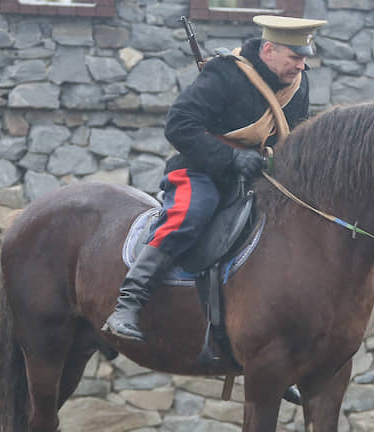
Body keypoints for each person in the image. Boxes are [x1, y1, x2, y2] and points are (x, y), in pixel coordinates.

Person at [102, 14, 327, 342]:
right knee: (191, 215)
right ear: (268, 50)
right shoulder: (225, 74)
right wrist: (232, 157)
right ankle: (128, 302)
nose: (300, 67)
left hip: (257, 175)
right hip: (200, 170)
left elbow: (294, 135)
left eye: (303, 59)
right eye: (294, 58)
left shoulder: (297, 84)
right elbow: (179, 125)